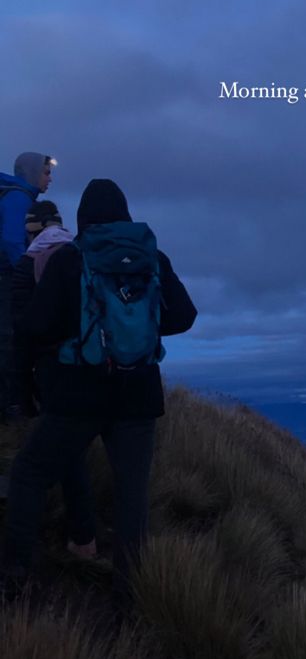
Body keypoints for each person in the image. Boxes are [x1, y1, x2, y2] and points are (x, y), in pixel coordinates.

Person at [2, 178, 197, 596]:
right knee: (132, 500)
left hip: (78, 394)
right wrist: (136, 325)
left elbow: (33, 327)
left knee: (30, 472)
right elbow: (184, 316)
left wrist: (69, 341)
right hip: (139, 397)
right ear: (125, 213)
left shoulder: (71, 259)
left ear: (83, 218)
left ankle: (16, 575)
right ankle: (129, 601)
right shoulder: (151, 257)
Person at [11, 200, 99, 561]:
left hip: (52, 373)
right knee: (73, 453)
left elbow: (22, 331)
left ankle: (18, 569)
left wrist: (21, 391)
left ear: (30, 227)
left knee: (30, 469)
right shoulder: (80, 255)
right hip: (92, 369)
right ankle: (84, 540)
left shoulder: (28, 262)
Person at [0, 152, 56, 419]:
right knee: (9, 339)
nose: (50, 179)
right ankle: (10, 408)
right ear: (33, 173)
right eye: (46, 172)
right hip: (6, 279)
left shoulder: (14, 195)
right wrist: (28, 271)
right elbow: (12, 240)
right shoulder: (19, 198)